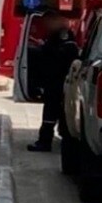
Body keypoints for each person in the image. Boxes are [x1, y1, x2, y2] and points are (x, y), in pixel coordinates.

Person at [27, 11, 79, 152]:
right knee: (55, 111)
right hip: (54, 80)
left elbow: (65, 54)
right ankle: (53, 140)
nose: (46, 25)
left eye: (48, 22)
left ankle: (45, 141)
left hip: (58, 80)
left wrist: (44, 49)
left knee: (51, 112)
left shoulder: (64, 35)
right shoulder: (56, 35)